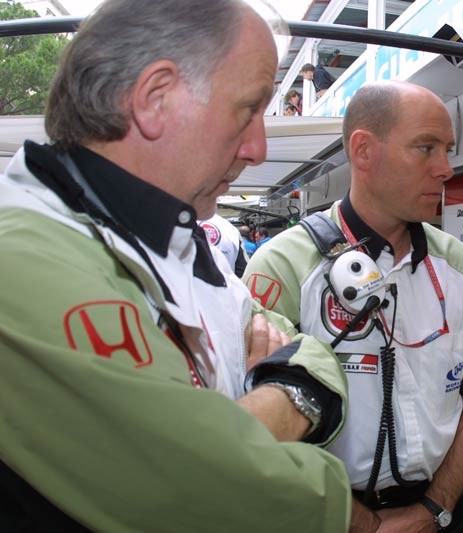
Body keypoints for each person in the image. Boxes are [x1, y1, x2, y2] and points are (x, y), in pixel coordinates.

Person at [0, 1, 351, 531]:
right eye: (249, 108)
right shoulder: (24, 258)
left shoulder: (179, 243)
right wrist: (290, 400)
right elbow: (229, 495)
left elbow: (311, 353)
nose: (257, 148)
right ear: (155, 99)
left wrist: (259, 412)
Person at [244, 81, 463, 532]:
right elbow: (255, 425)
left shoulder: (462, 267)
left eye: (448, 149)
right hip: (319, 515)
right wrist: (359, 522)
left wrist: (434, 507)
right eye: (426, 148)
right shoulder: (282, 265)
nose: (446, 169)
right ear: (364, 151)